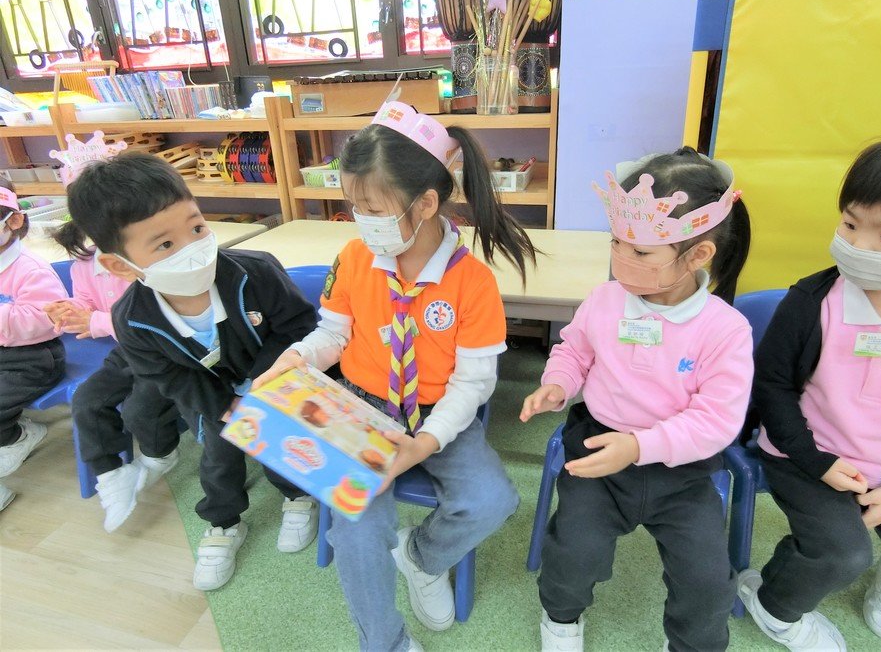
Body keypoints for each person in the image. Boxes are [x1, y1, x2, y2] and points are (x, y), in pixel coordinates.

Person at [255, 100, 538, 651]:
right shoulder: (354, 257)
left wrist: (425, 443)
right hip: (361, 406)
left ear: (426, 203)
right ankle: (384, 642)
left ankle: (421, 557)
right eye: (353, 205)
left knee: (492, 500)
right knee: (358, 531)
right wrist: (299, 358)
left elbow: (473, 384)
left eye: (371, 208)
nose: (360, 219)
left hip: (440, 413)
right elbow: (333, 335)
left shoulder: (472, 283)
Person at [521, 148, 753, 652]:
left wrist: (639, 447)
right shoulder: (605, 299)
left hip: (682, 470)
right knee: (574, 550)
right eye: (617, 243)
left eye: (642, 252)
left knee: (707, 580)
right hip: (597, 448)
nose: (622, 259)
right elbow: (574, 350)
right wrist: (557, 383)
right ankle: (561, 618)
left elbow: (716, 422)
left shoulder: (726, 329)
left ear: (698, 254)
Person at [63, 153, 319, 590]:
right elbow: (168, 376)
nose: (192, 249)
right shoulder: (133, 319)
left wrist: (264, 386)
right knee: (218, 459)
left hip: (274, 381)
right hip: (212, 394)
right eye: (164, 245)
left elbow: (297, 326)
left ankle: (297, 496)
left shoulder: (255, 272)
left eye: (197, 228)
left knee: (279, 441)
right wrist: (223, 406)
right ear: (121, 265)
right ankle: (224, 523)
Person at [739, 133, 881, 650]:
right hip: (807, 454)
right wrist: (816, 460)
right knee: (841, 553)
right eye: (849, 224)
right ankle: (773, 606)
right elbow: (772, 387)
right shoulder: (812, 301)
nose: (860, 245)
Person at [45, 229, 185, 533]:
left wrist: (95, 321)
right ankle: (111, 476)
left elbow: (157, 319)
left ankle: (161, 454)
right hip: (128, 350)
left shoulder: (146, 255)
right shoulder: (85, 263)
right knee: (87, 400)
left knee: (140, 409)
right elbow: (86, 302)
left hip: (168, 350)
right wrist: (69, 310)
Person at [0, 180, 66, 484]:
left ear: (13, 220)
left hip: (34, 357)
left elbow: (44, 318)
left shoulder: (31, 269)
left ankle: (18, 436)